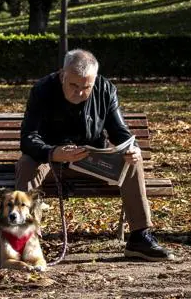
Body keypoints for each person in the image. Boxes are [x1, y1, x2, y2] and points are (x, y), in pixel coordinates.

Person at [15, 48, 174, 261]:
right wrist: (53, 152)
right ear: (63, 74)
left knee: (132, 162)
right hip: (51, 161)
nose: (80, 93)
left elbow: (120, 132)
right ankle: (27, 237)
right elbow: (28, 138)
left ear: (95, 80)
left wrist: (131, 148)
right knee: (26, 164)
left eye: (86, 87)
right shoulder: (42, 90)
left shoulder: (106, 89)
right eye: (73, 85)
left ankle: (140, 237)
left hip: (91, 161)